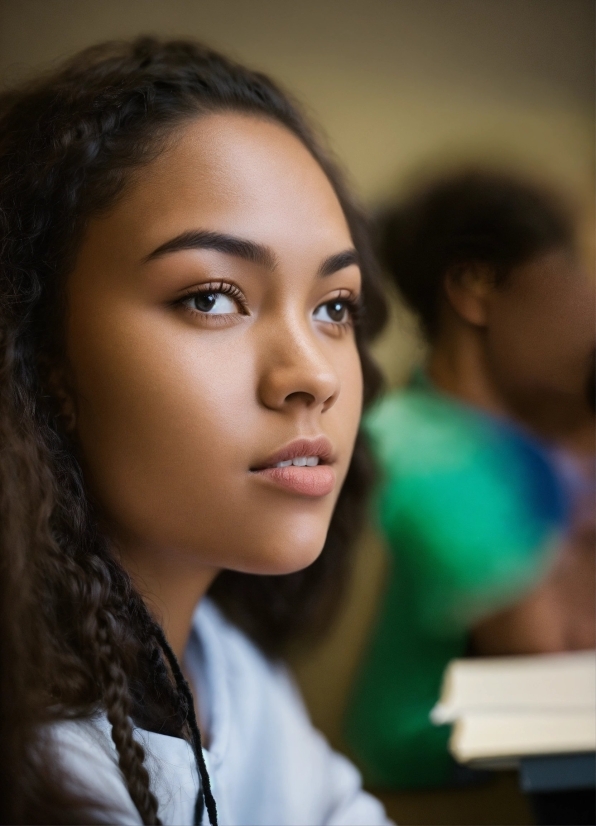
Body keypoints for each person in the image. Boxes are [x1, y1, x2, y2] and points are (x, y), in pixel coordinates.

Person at [0, 37, 392, 825]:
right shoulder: (40, 773)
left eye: (334, 307)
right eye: (212, 297)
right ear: (41, 357)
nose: (313, 373)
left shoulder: (222, 666)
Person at [344, 168, 595, 789]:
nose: (586, 310)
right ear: (475, 287)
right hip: (430, 766)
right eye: (566, 277)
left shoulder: (501, 430)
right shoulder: (419, 446)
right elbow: (560, 657)